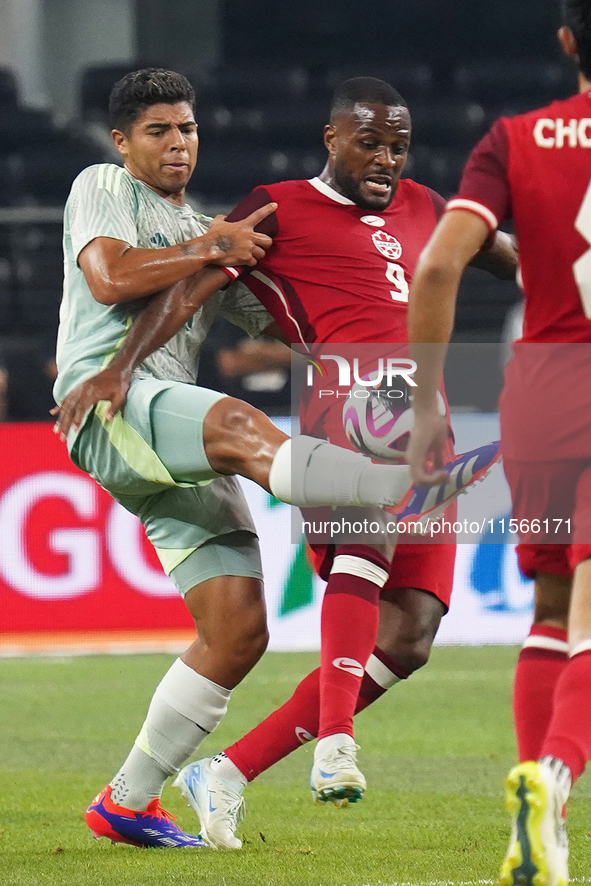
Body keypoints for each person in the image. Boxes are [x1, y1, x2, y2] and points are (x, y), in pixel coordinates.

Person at [55, 75, 511, 848]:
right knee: (244, 425)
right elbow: (109, 276)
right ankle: (377, 484)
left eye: (188, 129)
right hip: (109, 402)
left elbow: (258, 303)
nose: (178, 144)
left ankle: (127, 800)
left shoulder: (214, 227)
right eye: (159, 131)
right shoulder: (104, 185)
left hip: (170, 435)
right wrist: (199, 264)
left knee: (237, 631)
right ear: (122, 142)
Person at [406, 3, 591, 882]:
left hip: (542, 387)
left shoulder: (513, 139)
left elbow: (439, 263)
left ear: (566, 43)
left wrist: (426, 403)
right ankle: (552, 778)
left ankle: (534, 830)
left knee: (551, 610)